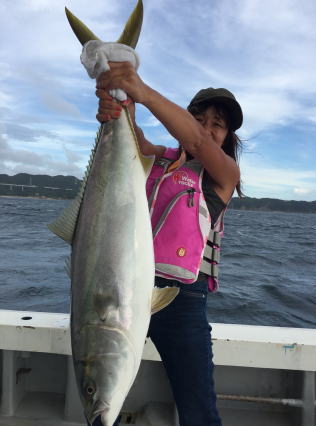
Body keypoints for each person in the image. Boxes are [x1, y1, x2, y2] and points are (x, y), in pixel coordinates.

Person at [90, 61, 243, 426]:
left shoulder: (223, 175)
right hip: (122, 287)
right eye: (199, 118)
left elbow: (195, 142)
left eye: (217, 125)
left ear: (227, 137)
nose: (207, 129)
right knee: (98, 388)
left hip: (181, 301)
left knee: (199, 410)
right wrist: (116, 104)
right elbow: (129, 141)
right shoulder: (153, 160)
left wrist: (141, 91)